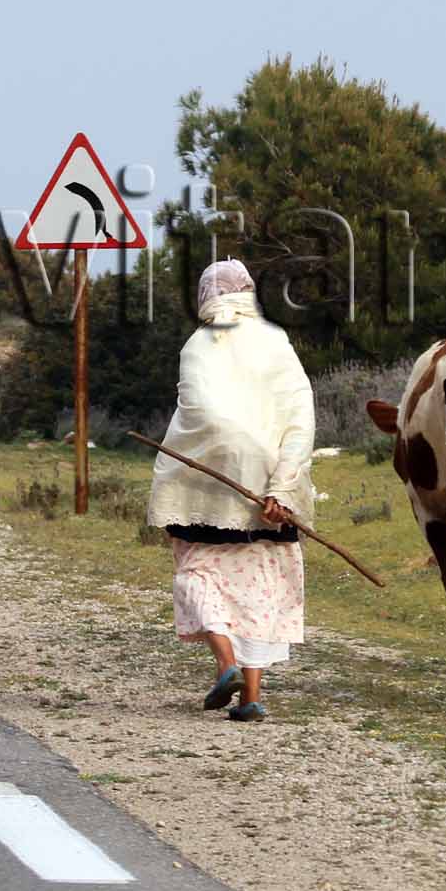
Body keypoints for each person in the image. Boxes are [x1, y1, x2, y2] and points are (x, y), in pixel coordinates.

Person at [146, 259, 313, 722]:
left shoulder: (198, 344)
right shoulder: (277, 341)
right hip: (271, 492)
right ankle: (252, 698)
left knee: (197, 575)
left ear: (206, 295)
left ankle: (225, 665)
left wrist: (226, 450)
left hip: (205, 487)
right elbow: (300, 415)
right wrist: (282, 483)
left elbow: (197, 411)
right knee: (259, 591)